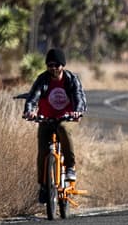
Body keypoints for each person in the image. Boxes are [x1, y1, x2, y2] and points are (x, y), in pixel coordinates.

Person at [22, 48, 86, 203]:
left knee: (63, 129)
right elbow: (33, 96)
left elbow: (79, 96)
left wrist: (77, 111)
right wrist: (30, 111)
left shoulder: (71, 79)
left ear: (62, 65)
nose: (53, 68)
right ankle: (43, 186)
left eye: (57, 65)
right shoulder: (42, 79)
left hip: (67, 118)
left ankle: (70, 167)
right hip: (46, 119)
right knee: (43, 151)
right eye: (50, 65)